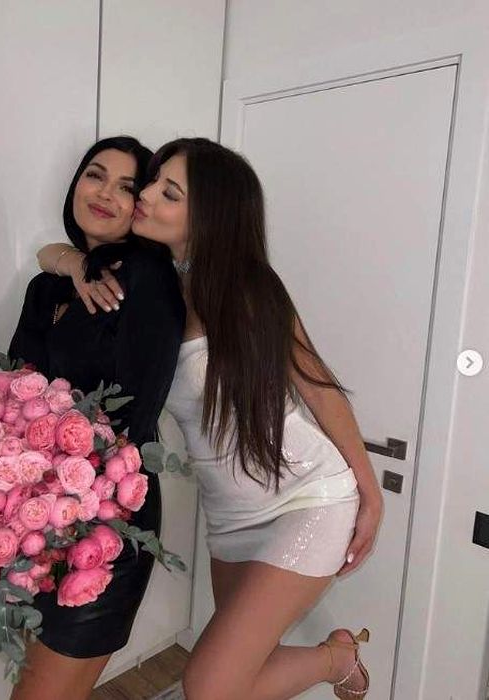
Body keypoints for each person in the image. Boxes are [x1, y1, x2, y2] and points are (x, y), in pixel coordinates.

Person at [38, 137, 383, 699]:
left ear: (208, 215)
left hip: (307, 500)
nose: (146, 195)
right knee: (242, 673)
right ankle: (333, 656)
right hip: (228, 517)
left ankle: (332, 659)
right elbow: (51, 251)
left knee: (209, 685)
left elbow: (318, 388)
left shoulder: (246, 288)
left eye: (168, 192)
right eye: (152, 182)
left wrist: (370, 493)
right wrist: (73, 262)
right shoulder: (151, 281)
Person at [7, 136, 185, 700]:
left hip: (107, 515)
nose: (106, 193)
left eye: (127, 187)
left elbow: (136, 405)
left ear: (140, 207)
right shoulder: (46, 287)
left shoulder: (148, 276)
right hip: (36, 513)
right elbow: (16, 388)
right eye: (95, 175)